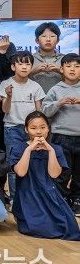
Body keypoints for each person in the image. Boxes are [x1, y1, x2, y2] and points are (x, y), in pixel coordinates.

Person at [9, 111, 80, 240]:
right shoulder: (19, 147)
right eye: (33, 128)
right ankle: (20, 215)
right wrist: (29, 149)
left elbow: (54, 174)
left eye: (43, 127)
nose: (39, 132)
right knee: (39, 228)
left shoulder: (56, 149)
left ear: (48, 128)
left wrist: (50, 150)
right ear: (26, 130)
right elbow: (21, 172)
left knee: (68, 227)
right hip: (28, 193)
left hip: (50, 193)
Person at [0, 51, 46, 201]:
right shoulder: (6, 84)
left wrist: (39, 131)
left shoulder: (35, 86)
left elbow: (39, 112)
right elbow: (5, 110)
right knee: (14, 165)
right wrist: (9, 96)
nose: (24, 67)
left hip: (31, 131)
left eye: (28, 64)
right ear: (13, 67)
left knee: (33, 162)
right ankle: (15, 199)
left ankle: (31, 197)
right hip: (12, 128)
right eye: (20, 63)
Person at [42, 53, 80, 215]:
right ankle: (60, 199)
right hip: (60, 137)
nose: (72, 69)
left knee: (79, 173)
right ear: (62, 69)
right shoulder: (56, 89)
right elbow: (45, 111)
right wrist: (58, 103)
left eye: (77, 66)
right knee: (62, 172)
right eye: (68, 66)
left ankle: (77, 199)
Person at [31, 22, 64, 93]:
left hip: (60, 99)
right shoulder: (29, 60)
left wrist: (60, 71)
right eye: (44, 36)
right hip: (35, 99)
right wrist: (33, 72)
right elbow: (20, 81)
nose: (48, 39)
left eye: (52, 36)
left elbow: (74, 81)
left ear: (58, 40)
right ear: (37, 40)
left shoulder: (65, 59)